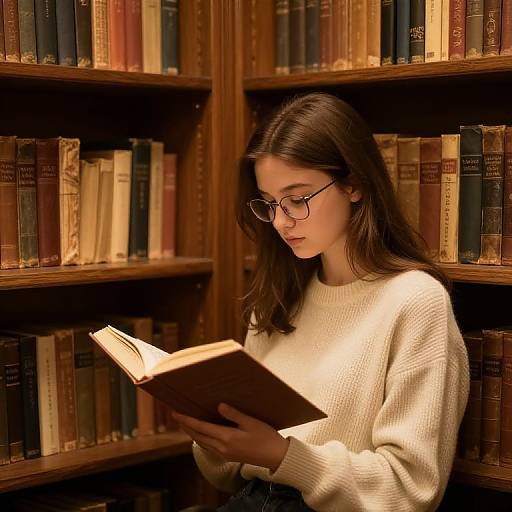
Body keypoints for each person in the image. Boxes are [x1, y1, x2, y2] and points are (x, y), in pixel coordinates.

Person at [171, 92, 470, 511]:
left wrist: (282, 456)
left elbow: (409, 488)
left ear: (355, 184)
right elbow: (224, 474)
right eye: (270, 203)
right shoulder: (278, 295)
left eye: (297, 199)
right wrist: (215, 434)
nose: (280, 221)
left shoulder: (414, 302)